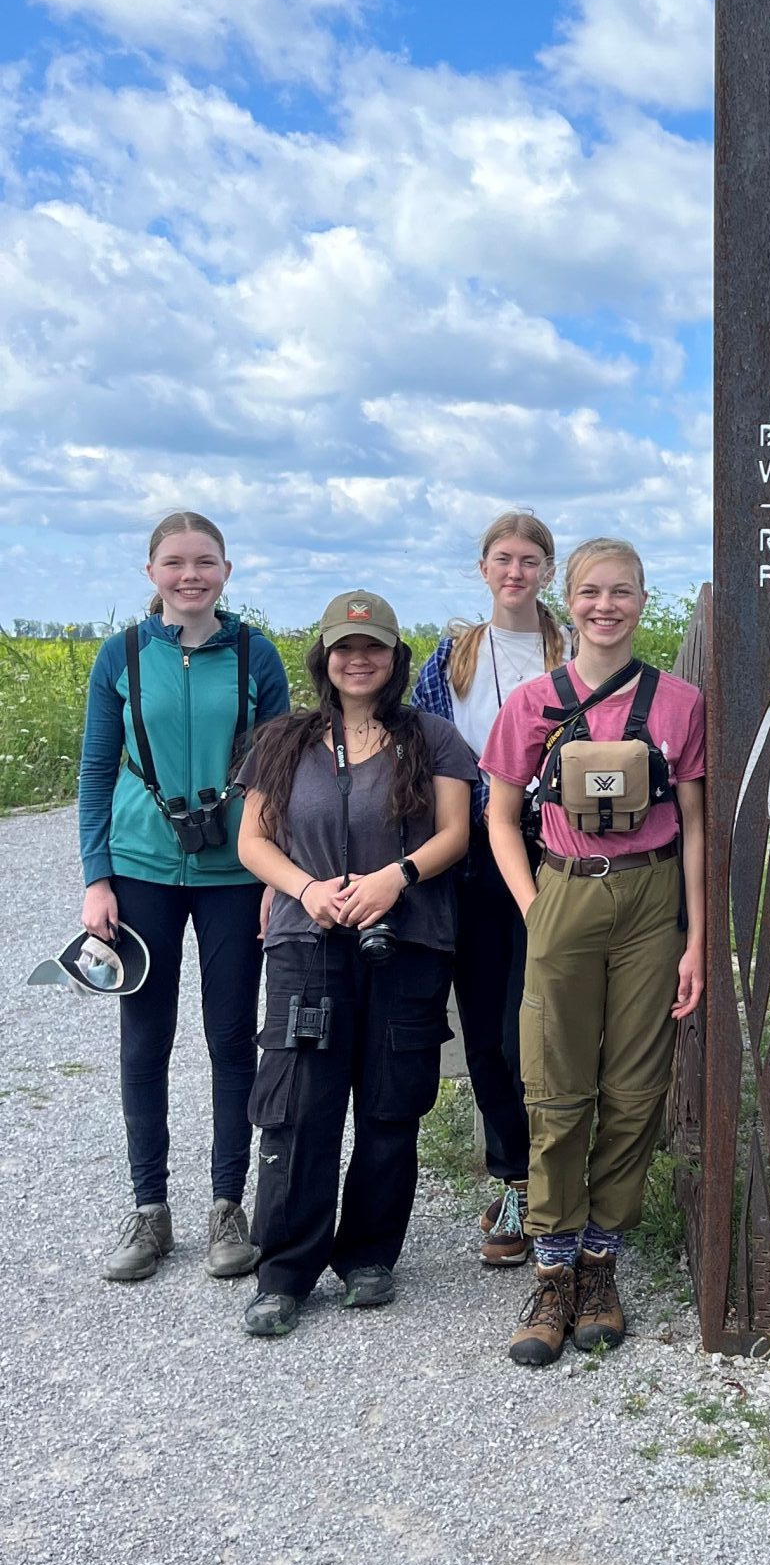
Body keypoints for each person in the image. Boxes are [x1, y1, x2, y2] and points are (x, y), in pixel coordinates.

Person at [481, 538, 705, 1368]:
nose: (604, 606)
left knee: (637, 1087)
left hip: (651, 902)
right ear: (566, 601)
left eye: (621, 592)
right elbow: (501, 816)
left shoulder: (680, 704)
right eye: (589, 592)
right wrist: (536, 909)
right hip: (564, 891)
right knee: (557, 1088)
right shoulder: (532, 703)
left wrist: (695, 942)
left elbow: (694, 826)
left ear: (645, 600)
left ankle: (601, 1264)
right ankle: (552, 1270)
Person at [233, 592, 475, 1337]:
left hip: (406, 942)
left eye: (374, 647)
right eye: (345, 647)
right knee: (298, 1108)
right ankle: (285, 1270)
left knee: (389, 1103)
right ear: (325, 657)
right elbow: (254, 842)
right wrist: (305, 889)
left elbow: (456, 833)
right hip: (309, 945)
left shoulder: (432, 737)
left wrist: (392, 878)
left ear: (397, 658)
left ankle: (370, 1254)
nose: (359, 659)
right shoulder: (283, 739)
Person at [76, 513, 291, 1284]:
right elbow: (97, 768)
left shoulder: (255, 656)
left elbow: (276, 772)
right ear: (152, 572)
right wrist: (95, 877)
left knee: (232, 1039)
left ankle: (227, 1207)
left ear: (227, 572)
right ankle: (149, 1211)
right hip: (141, 868)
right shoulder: (122, 654)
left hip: (235, 870)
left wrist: (276, 874)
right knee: (145, 1040)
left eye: (205, 563)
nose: (190, 575)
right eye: (175, 563)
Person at [412, 512, 567, 1267]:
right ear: (483, 568)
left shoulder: (569, 649)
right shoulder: (453, 658)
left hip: (558, 853)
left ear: (548, 569)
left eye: (530, 559)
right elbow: (431, 753)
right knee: (485, 1031)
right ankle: (513, 1177)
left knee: (539, 1022)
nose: (516, 571)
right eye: (503, 559)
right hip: (475, 856)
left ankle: (561, 1174)